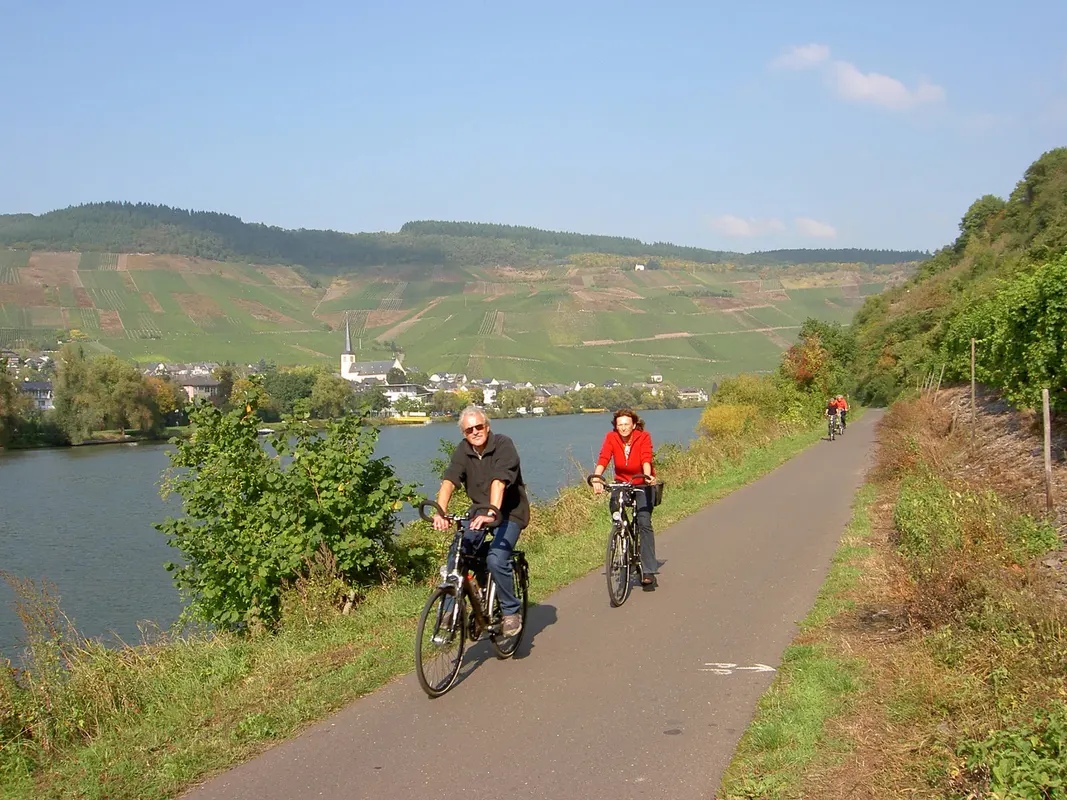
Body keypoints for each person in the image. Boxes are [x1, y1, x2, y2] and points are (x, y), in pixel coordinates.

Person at [433, 405, 529, 636]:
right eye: (469, 430)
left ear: (487, 427)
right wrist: (440, 511)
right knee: (458, 550)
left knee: (496, 559)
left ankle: (510, 611)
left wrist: (492, 512)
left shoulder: (503, 445)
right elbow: (449, 481)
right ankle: (449, 610)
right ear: (464, 433)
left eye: (479, 426)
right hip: (479, 512)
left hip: (509, 512)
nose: (475, 432)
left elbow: (499, 481)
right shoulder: (463, 450)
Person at [591, 408, 659, 590]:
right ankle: (622, 534)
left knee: (644, 522)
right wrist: (597, 477)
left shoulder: (643, 437)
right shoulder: (611, 438)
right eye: (619, 425)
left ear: (634, 425)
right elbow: (604, 457)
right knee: (616, 510)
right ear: (616, 426)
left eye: (626, 424)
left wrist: (646, 476)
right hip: (622, 482)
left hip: (642, 482)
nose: (623, 428)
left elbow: (646, 458)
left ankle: (648, 571)